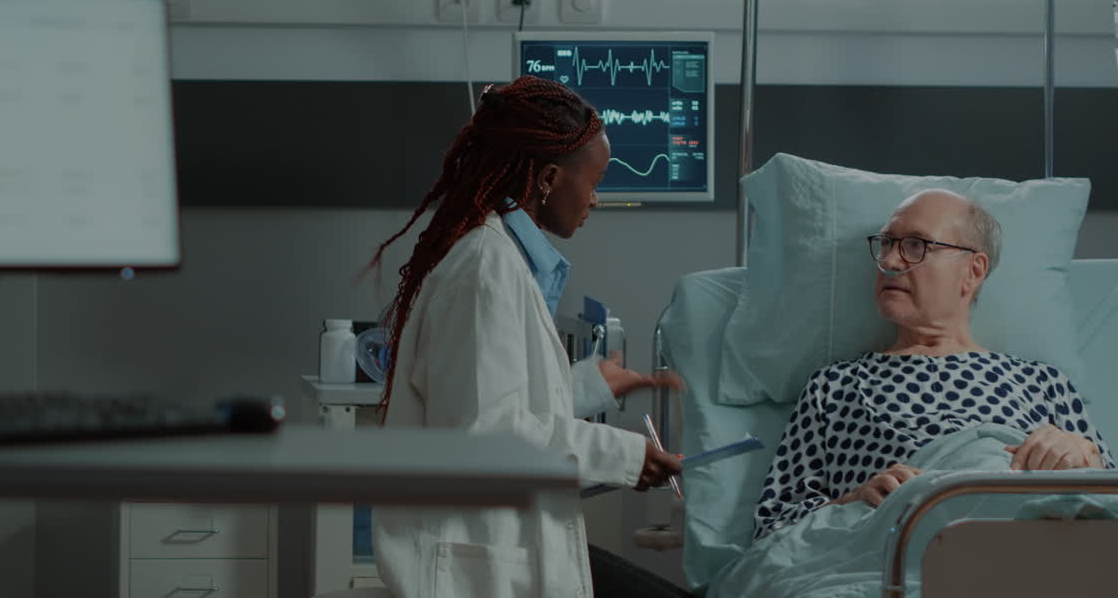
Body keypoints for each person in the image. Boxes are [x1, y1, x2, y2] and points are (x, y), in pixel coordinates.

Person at [365, 76, 689, 598]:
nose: (596, 200)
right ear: (547, 179)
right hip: (469, 570)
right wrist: (627, 457)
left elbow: (495, 392)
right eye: (594, 182)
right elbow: (489, 434)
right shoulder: (484, 269)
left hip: (496, 551)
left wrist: (585, 385)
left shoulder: (498, 260)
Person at [753, 188, 1115, 540]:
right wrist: (852, 502)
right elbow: (772, 529)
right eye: (887, 244)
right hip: (894, 553)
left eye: (916, 246)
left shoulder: (1041, 382)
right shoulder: (833, 387)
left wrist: (1085, 458)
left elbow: (1109, 499)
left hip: (1028, 545)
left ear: (973, 271)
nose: (891, 262)